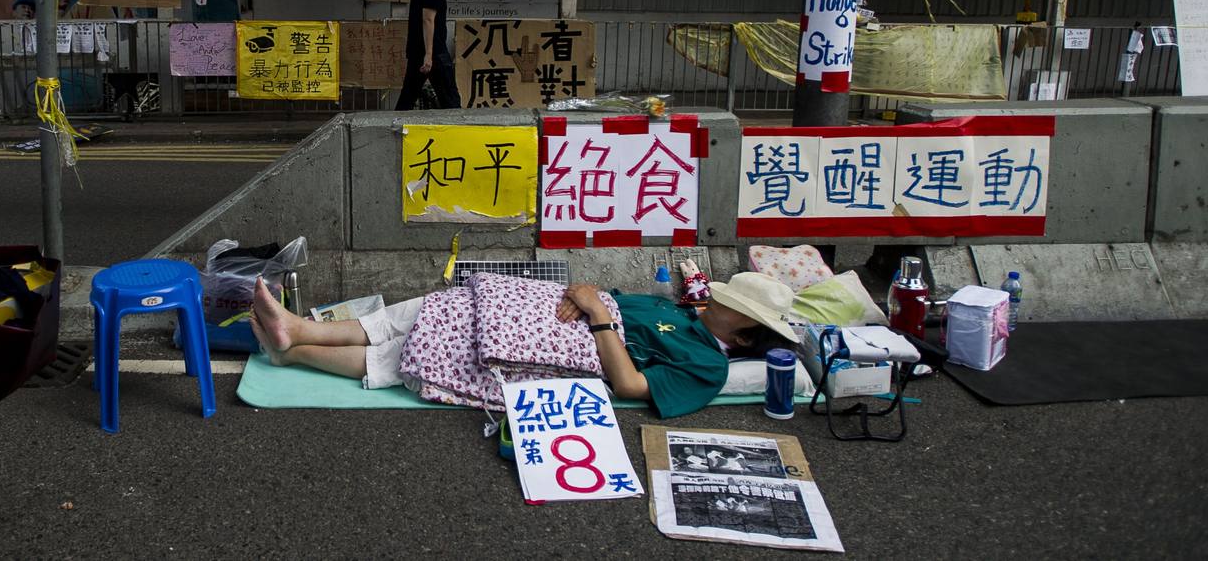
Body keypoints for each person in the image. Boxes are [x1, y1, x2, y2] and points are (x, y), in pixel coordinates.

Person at [249, 270, 799, 419]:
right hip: (564, 313)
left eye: (730, 304)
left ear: (744, 332)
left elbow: (630, 385)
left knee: (426, 354)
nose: (712, 299)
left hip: (573, 347)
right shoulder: (684, 311)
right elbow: (600, 301)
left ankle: (289, 350)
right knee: (433, 308)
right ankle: (299, 329)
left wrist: (598, 315)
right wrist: (582, 298)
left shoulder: (706, 363)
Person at [394, 0, 461, 111]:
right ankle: (457, 133)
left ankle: (394, 127)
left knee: (408, 99)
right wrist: (429, 55)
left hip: (419, 51)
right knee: (451, 100)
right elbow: (428, 19)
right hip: (434, 53)